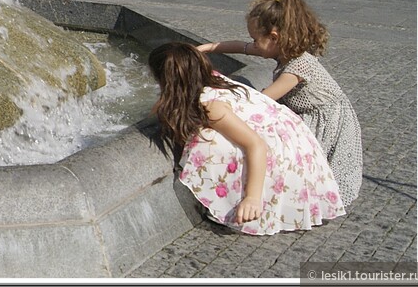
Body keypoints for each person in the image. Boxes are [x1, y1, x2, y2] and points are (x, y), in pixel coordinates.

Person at [148, 41, 346, 235]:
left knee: (205, 141)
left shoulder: (210, 105)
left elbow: (256, 145)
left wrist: (252, 197)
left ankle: (239, 202)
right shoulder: (214, 79)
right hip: (296, 146)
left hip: (280, 156)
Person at [196, 0, 362, 207]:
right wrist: (206, 48)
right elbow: (239, 47)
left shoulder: (298, 67)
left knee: (304, 161)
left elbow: (264, 99)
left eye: (255, 39)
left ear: (274, 37)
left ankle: (302, 198)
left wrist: (226, 105)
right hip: (305, 111)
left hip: (325, 118)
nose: (252, 44)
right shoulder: (280, 48)